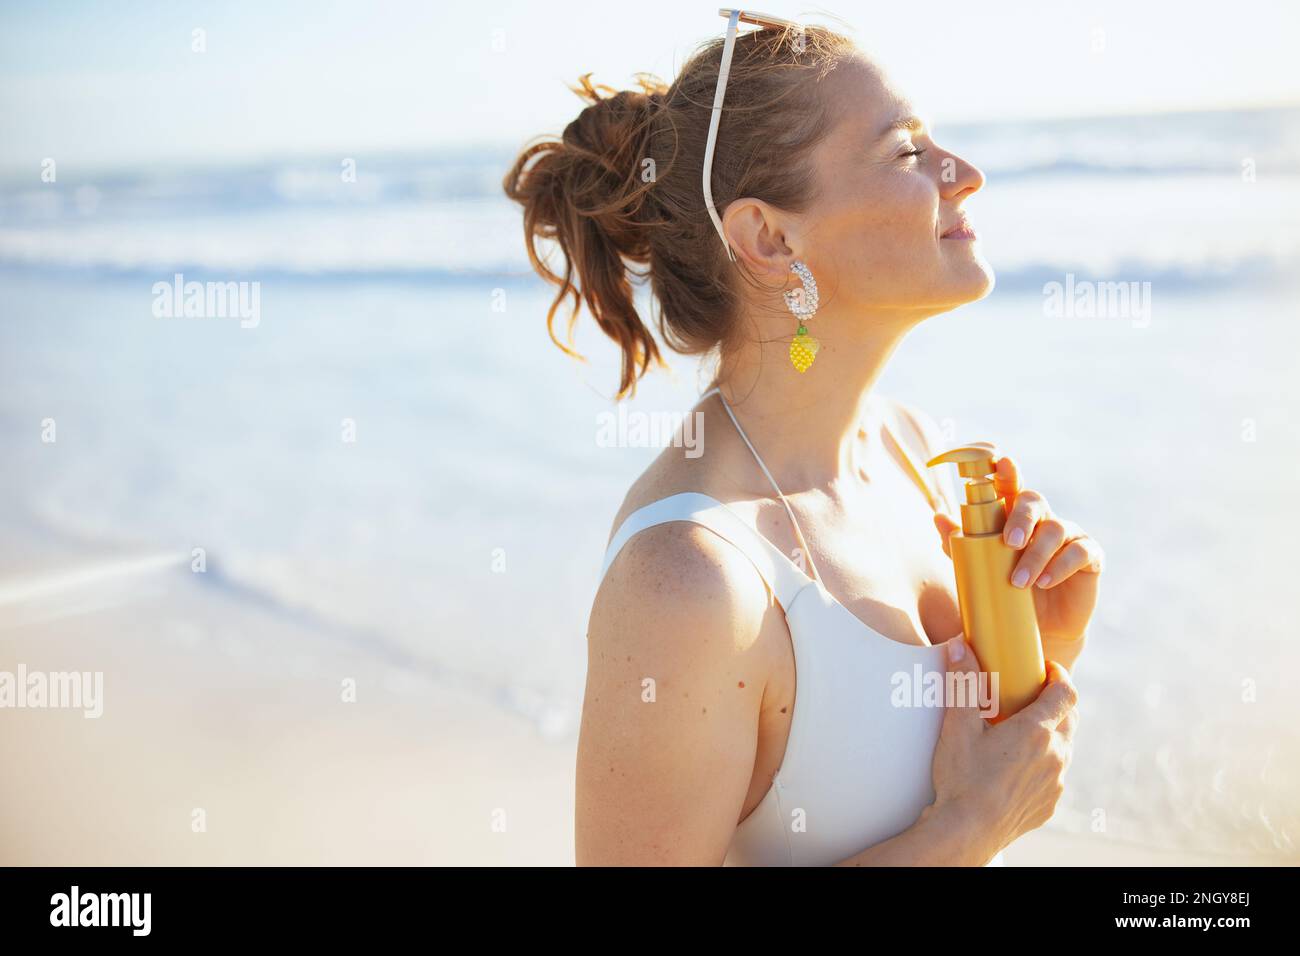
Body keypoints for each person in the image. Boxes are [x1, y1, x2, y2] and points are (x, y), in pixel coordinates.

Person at [504, 13, 1103, 866]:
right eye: (906, 153)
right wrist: (969, 831)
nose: (964, 175)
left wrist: (1042, 647)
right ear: (771, 238)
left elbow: (967, 762)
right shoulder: (688, 580)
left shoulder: (915, 456)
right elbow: (971, 812)